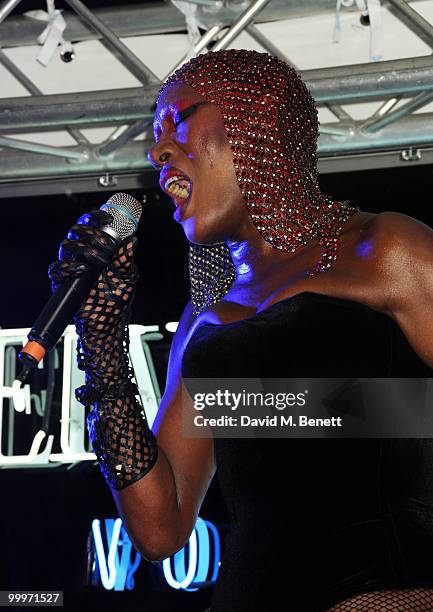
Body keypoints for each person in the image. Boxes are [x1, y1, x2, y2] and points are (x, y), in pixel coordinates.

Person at [49, 49, 433, 611]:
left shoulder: (383, 250)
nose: (157, 152)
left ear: (258, 124)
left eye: (178, 120)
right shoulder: (208, 318)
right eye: (155, 141)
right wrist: (102, 342)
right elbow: (160, 531)